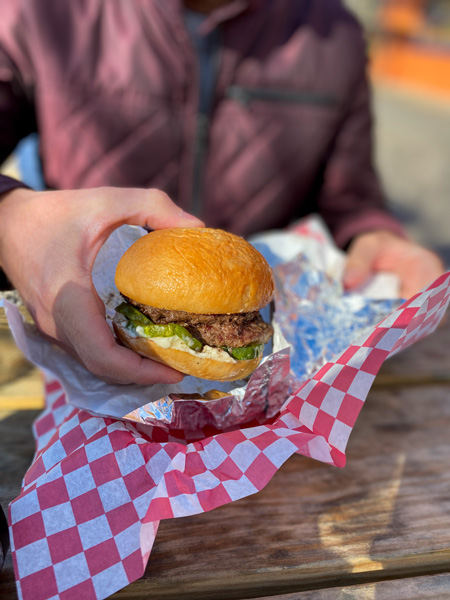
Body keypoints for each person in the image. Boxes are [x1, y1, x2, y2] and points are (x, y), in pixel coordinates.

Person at [0, 0, 444, 385]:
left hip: (267, 314)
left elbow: (350, 198)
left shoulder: (334, 32)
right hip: (63, 344)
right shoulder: (41, 12)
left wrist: (376, 237)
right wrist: (12, 220)